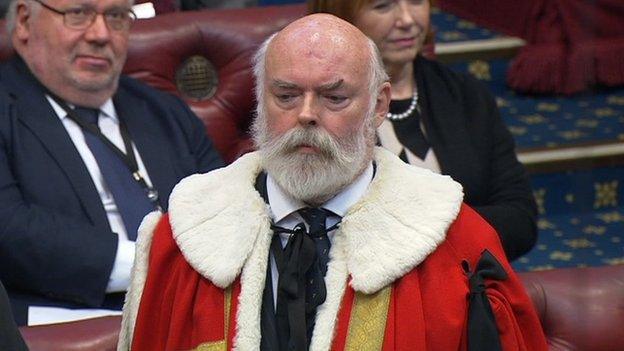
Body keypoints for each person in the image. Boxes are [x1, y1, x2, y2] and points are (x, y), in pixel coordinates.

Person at [119, 13, 547, 350]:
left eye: (334, 97)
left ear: (378, 105)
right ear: (261, 98)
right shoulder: (183, 238)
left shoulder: (458, 245)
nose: (306, 115)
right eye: (285, 95)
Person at [0, 0, 223, 326]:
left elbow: (227, 210)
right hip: (62, 330)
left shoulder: (164, 113)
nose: (101, 34)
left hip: (189, 319)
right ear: (23, 21)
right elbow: (10, 229)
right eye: (78, 14)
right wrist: (152, 264)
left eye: (117, 16)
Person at [308, 0, 537, 261]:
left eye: (417, 1)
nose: (407, 19)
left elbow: (521, 220)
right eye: (383, 6)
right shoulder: (315, 110)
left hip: (467, 284)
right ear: (341, 17)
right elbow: (328, 230)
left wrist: (428, 236)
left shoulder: (465, 94)